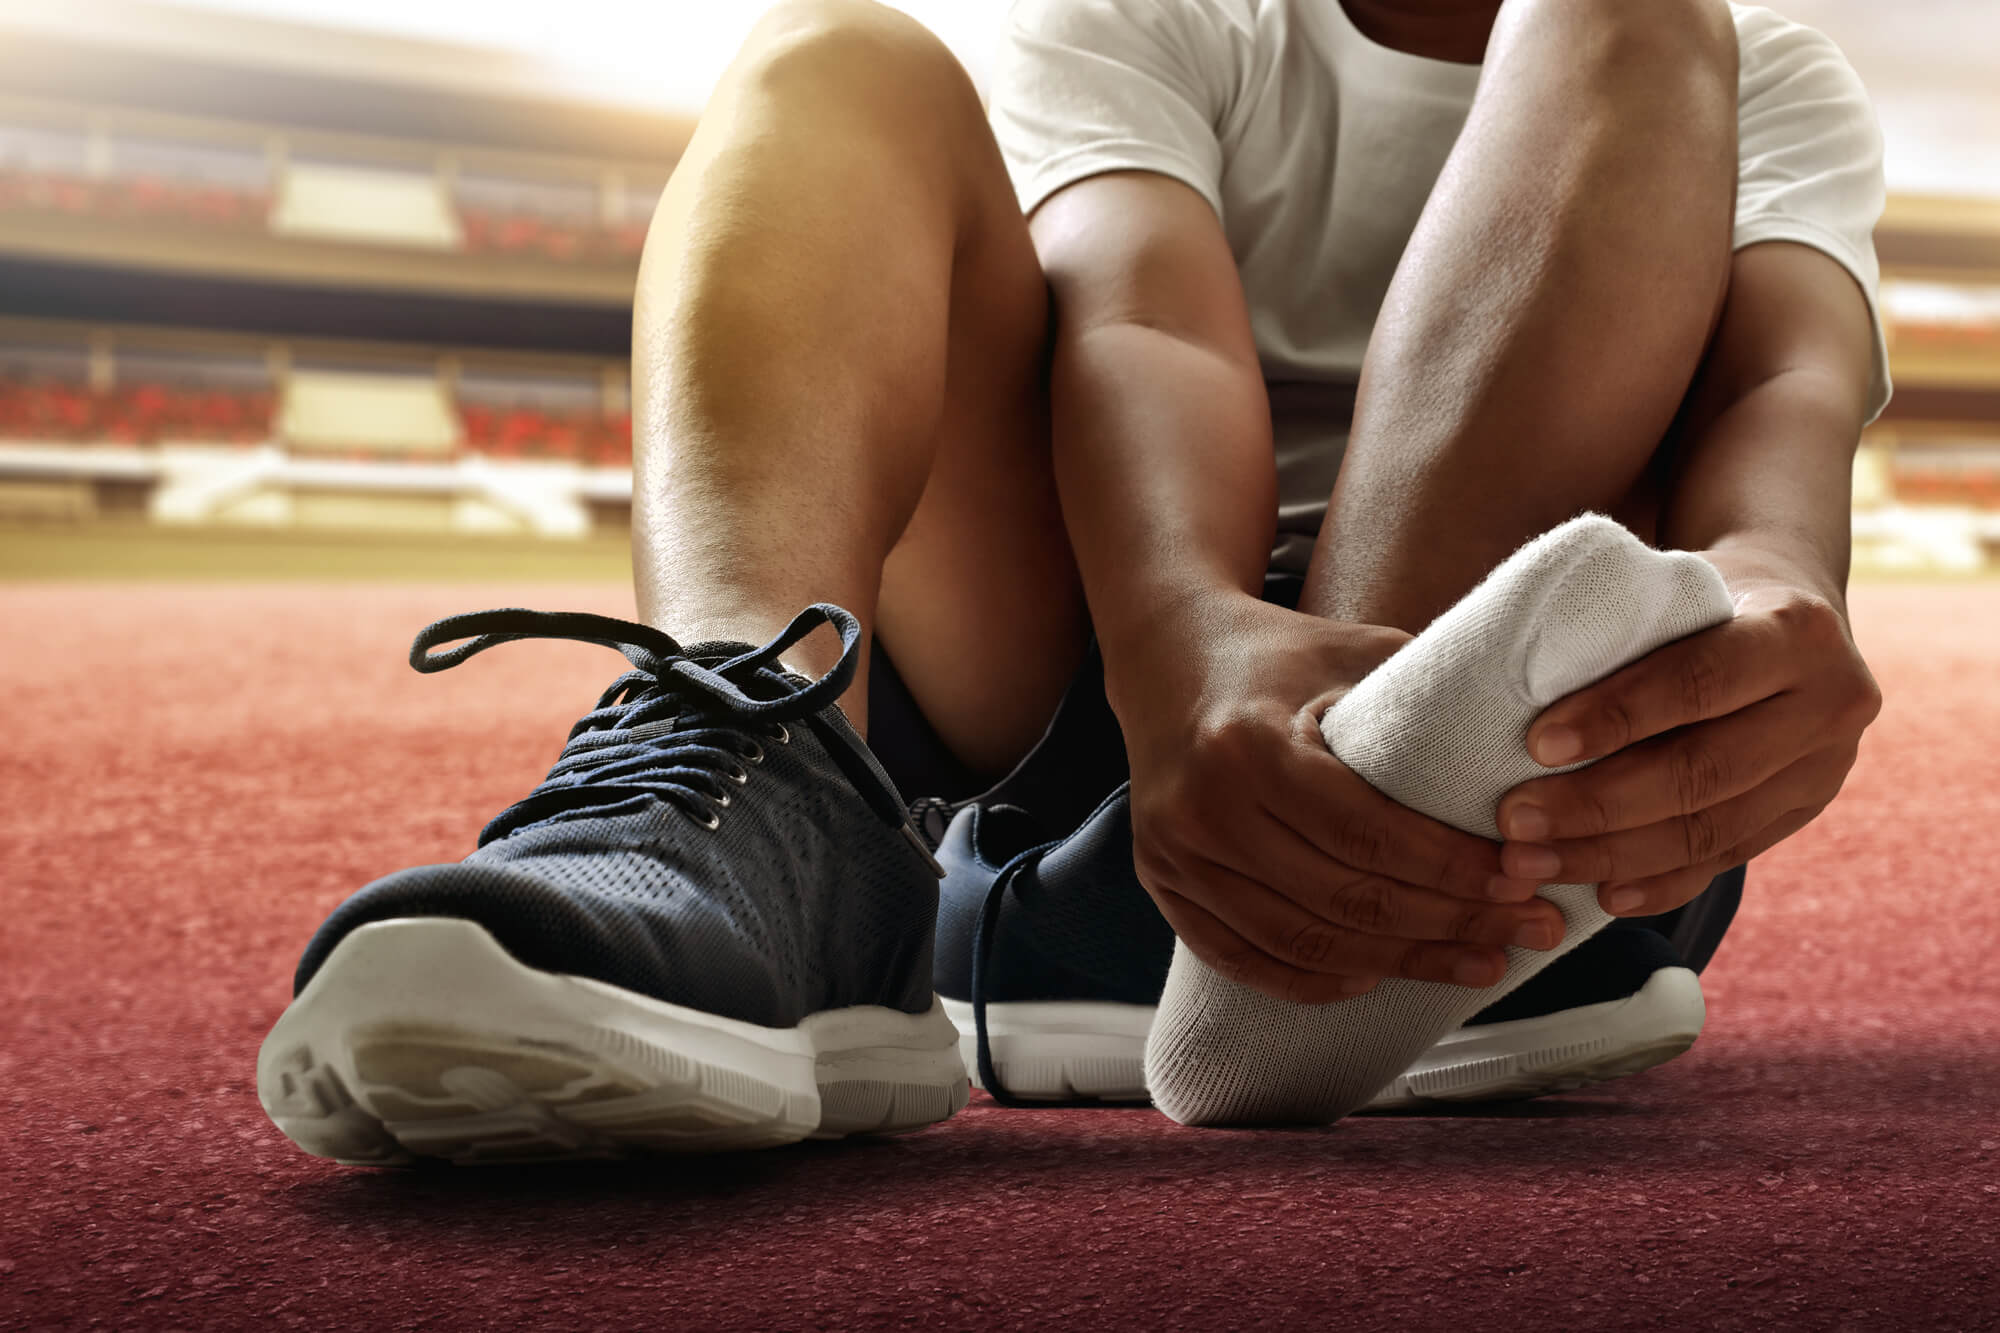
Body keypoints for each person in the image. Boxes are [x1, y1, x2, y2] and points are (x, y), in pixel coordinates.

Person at [256, 0, 1887, 1162]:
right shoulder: (1162, 14)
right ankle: (743, 799)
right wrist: (1188, 658)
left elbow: (1778, 399)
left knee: (1641, 17)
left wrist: (1771, 599)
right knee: (838, 57)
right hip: (1111, 700)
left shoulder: (1756, 67)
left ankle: (1380, 829)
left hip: (1525, 778)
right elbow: (1137, 315)